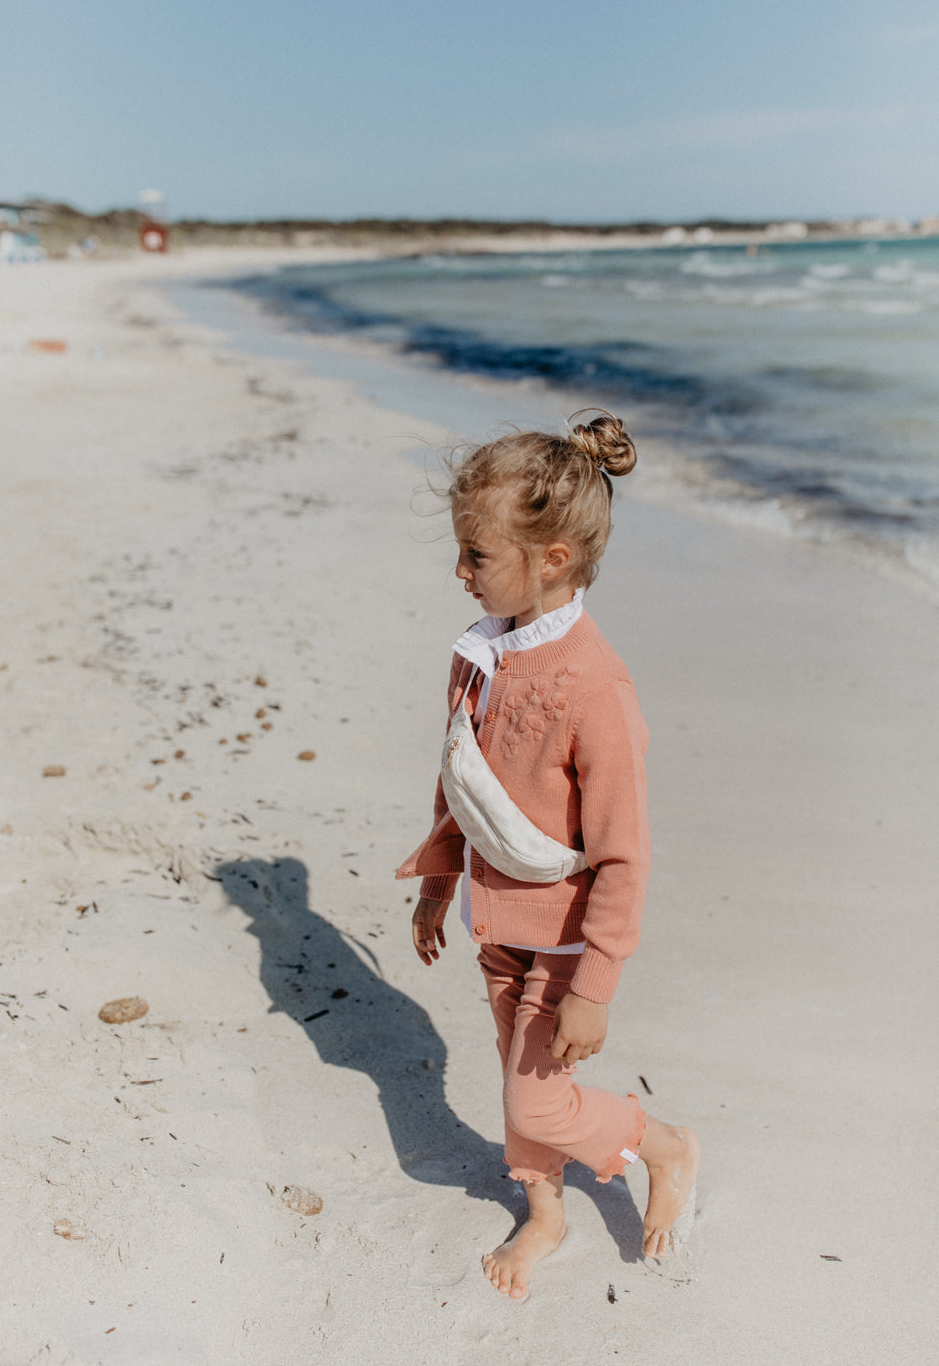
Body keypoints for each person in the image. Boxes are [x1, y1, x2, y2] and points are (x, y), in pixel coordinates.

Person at [397, 413, 699, 1303]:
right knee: (517, 1080)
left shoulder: (596, 690)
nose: (461, 571)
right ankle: (546, 1213)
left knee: (538, 1100)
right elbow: (459, 778)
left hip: (565, 935)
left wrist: (595, 984)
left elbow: (624, 855)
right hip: (495, 919)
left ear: (554, 559)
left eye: (477, 554)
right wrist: (438, 882)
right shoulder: (479, 657)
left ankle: (664, 1145)